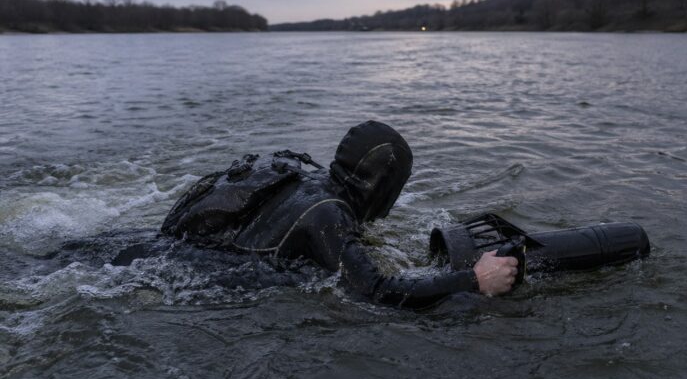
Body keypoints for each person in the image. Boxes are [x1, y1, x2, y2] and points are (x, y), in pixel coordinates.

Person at [161, 120, 518, 308]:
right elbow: (378, 292)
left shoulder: (313, 178)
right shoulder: (326, 216)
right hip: (184, 276)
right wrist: (474, 280)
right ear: (381, 185)